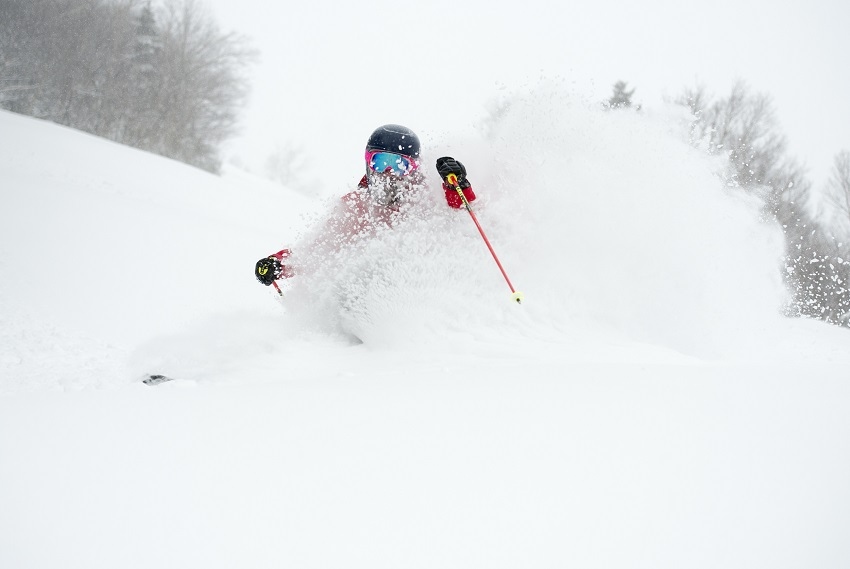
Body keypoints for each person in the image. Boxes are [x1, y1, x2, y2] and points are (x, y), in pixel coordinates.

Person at [255, 124, 476, 287]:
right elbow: (316, 251)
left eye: (400, 165)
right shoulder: (355, 206)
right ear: (368, 162)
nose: (389, 172)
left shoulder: (428, 196)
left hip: (430, 285)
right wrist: (278, 264)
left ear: (414, 168)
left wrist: (458, 185)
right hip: (374, 291)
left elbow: (464, 220)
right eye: (380, 162)